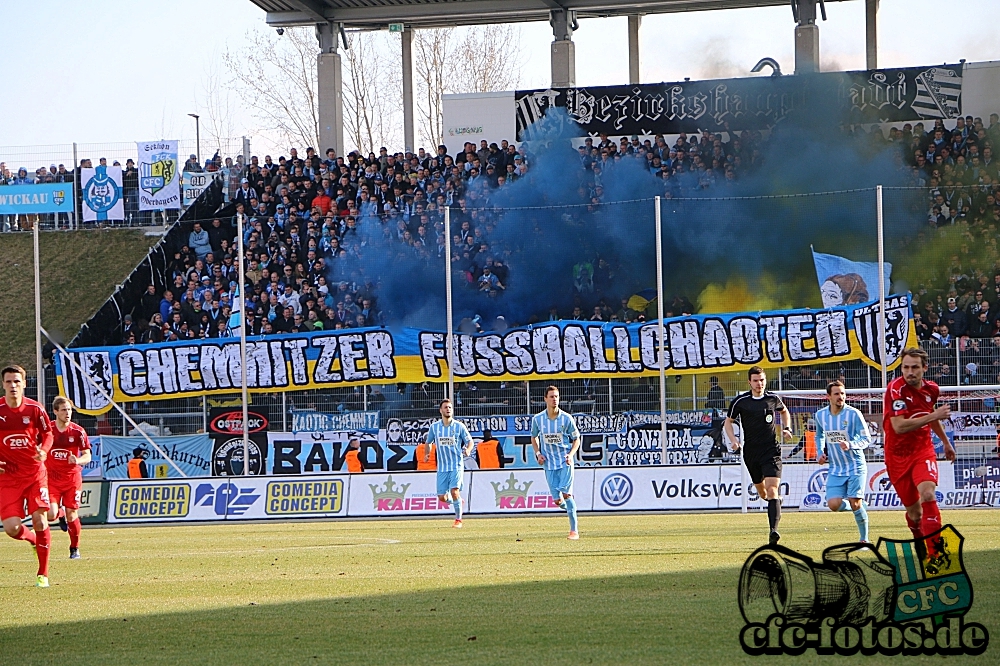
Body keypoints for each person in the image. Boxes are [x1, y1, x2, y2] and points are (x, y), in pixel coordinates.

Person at [883, 348, 956, 558]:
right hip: (897, 456)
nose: (909, 372)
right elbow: (899, 426)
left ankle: (937, 554)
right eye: (905, 367)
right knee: (915, 514)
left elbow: (929, 416)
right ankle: (917, 535)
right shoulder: (895, 390)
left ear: (925, 368)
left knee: (928, 493)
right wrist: (934, 414)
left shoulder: (932, 389)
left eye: (914, 367)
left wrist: (945, 442)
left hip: (922, 449)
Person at [723, 366, 792, 545]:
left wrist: (786, 427)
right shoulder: (741, 401)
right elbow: (728, 422)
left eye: (761, 380)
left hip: (771, 450)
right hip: (752, 452)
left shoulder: (772, 398)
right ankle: (774, 502)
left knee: (772, 490)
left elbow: (784, 411)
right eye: (755, 380)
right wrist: (734, 440)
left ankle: (773, 531)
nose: (759, 384)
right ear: (749, 382)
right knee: (763, 493)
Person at [0, 365, 54, 587]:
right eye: (9, 382)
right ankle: (32, 540)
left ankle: (43, 574)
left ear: (24, 384)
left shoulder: (34, 409)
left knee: (40, 520)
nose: (13, 386)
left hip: (34, 474)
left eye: (17, 381)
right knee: (12, 529)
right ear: (3, 384)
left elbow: (48, 433)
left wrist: (44, 450)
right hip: (8, 476)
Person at [815, 380, 871, 542]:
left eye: (843, 393)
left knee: (854, 503)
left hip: (855, 466)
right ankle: (860, 506)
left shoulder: (854, 414)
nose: (841, 397)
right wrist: (820, 452)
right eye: (837, 394)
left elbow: (866, 438)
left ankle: (864, 539)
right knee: (833, 504)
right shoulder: (820, 416)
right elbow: (819, 435)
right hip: (836, 468)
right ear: (828, 397)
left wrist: (851, 444)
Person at [530, 386, 582, 540]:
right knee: (557, 500)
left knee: (567, 494)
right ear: (545, 399)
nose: (555, 399)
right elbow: (534, 437)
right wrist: (538, 453)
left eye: (557, 397)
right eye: (551, 397)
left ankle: (574, 531)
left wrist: (571, 455)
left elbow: (576, 439)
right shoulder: (538, 419)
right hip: (549, 464)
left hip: (565, 462)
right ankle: (568, 508)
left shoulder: (567, 418)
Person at [45, 396, 91, 559]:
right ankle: (60, 515)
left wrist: (77, 460)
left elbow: (88, 455)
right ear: (55, 411)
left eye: (70, 410)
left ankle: (74, 548)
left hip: (72, 478)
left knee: (73, 514)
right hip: (51, 478)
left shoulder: (78, 431)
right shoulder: (47, 430)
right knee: (51, 514)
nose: (67, 413)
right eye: (64, 410)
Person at [424, 399, 473, 528]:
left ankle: (458, 520)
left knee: (454, 490)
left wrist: (468, 449)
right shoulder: (435, 427)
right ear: (440, 410)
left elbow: (470, 441)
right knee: (442, 497)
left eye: (450, 407)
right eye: (445, 407)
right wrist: (427, 453)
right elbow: (428, 442)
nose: (448, 409)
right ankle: (457, 501)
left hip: (456, 464)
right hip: (442, 467)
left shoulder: (459, 426)